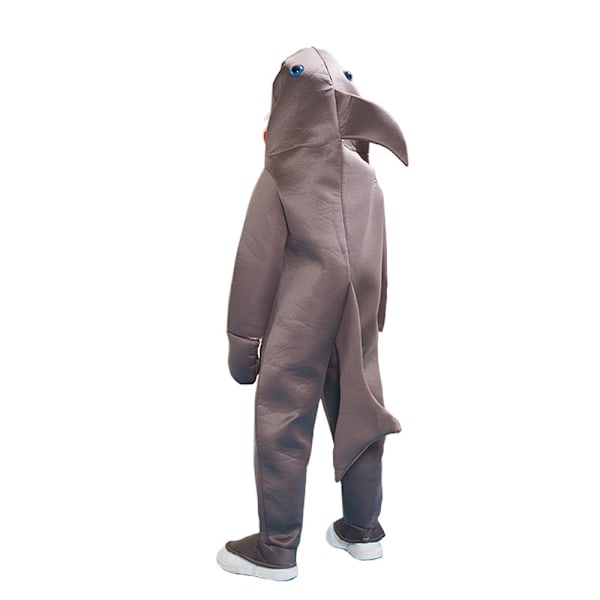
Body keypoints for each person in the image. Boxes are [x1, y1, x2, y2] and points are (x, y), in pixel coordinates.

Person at [217, 47, 408, 581]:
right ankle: (362, 530)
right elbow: (378, 253)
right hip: (357, 317)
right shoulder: (366, 174)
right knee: (361, 409)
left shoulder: (283, 173)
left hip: (301, 319)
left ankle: (276, 548)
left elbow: (255, 260)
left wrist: (242, 341)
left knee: (283, 421)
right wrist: (377, 315)